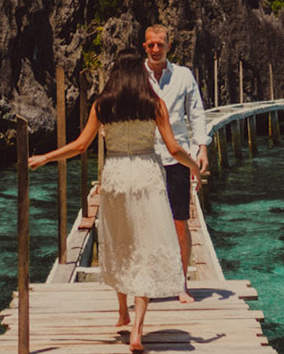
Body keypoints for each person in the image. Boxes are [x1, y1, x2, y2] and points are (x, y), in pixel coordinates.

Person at [31, 52, 203, 352]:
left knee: (118, 242)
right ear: (141, 74)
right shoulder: (154, 104)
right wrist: (194, 166)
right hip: (146, 175)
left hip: (115, 177)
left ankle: (122, 311)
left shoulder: (103, 105)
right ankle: (137, 330)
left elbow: (81, 145)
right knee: (145, 246)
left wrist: (46, 156)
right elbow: (174, 148)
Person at [140, 24, 208, 301]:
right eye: (151, 44)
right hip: (144, 156)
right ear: (144, 46)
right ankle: (147, 283)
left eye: (161, 44)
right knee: (144, 223)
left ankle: (181, 283)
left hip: (176, 157)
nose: (156, 49)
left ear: (169, 46)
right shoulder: (136, 74)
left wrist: (201, 147)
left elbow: (197, 113)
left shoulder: (183, 75)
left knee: (180, 221)